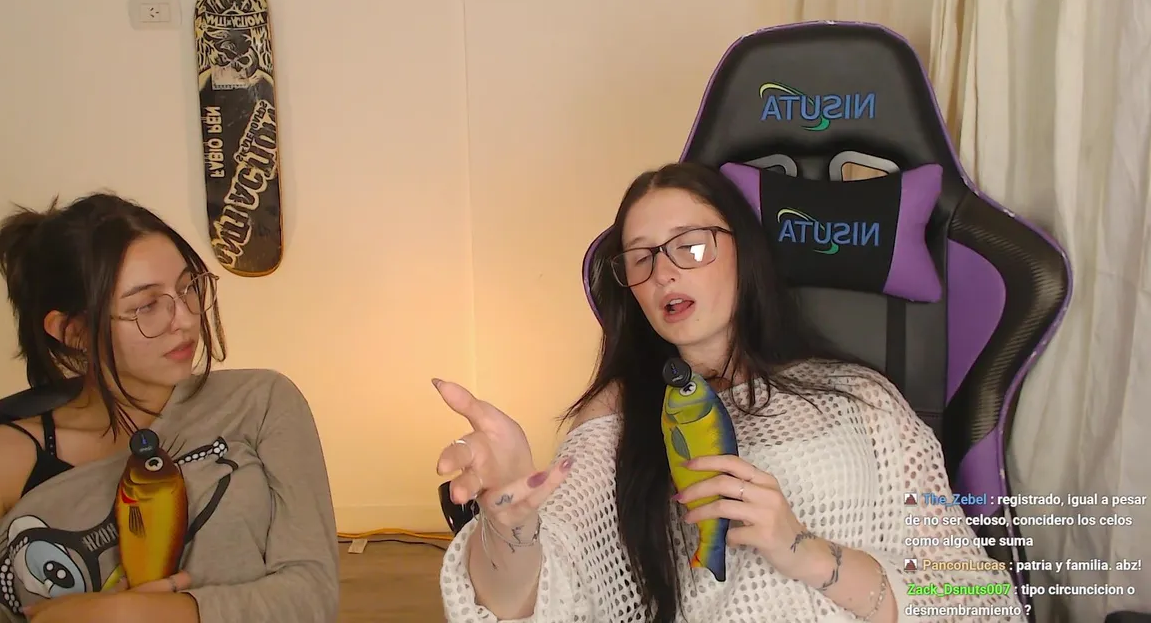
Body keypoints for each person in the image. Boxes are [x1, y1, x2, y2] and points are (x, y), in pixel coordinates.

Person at [432, 162, 1026, 622]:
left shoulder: (862, 399)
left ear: (744, 250)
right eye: (640, 259)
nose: (664, 272)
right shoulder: (620, 418)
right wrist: (506, 524)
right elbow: (539, 592)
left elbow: (978, 596)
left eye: (690, 246)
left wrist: (805, 552)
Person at [0, 192, 339, 623]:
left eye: (188, 287)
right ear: (73, 331)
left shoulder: (262, 402)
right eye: (146, 306)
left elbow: (313, 595)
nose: (186, 319)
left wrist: (132, 613)